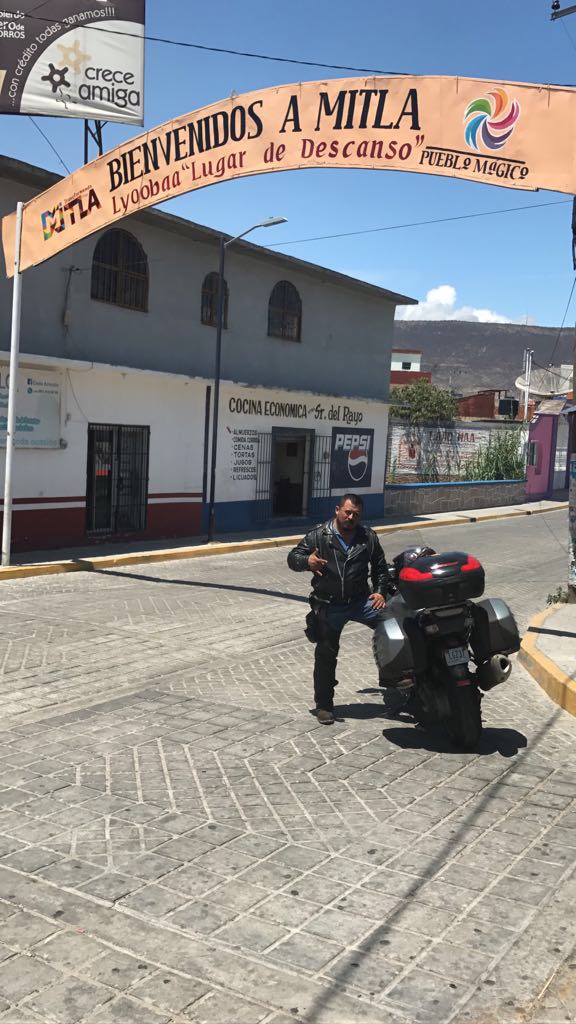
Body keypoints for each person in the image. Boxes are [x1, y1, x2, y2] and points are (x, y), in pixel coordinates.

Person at [287, 493, 389, 724]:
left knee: (394, 623)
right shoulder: (318, 535)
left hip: (361, 601)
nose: (351, 517)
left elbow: (381, 568)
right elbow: (293, 557)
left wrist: (381, 591)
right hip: (330, 603)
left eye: (356, 514)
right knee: (326, 654)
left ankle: (396, 676)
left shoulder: (368, 537)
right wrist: (307, 562)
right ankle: (324, 706)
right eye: (347, 512)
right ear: (337, 510)